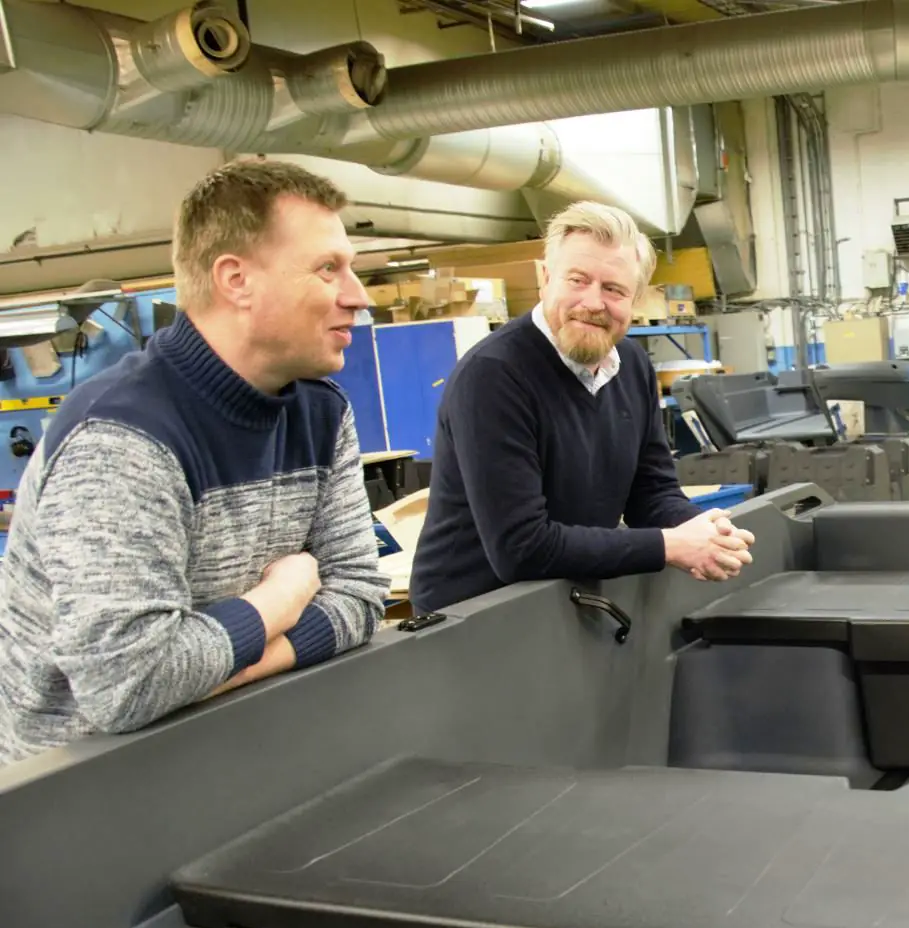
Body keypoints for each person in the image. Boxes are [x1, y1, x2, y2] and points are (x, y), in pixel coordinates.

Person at [0, 160, 390, 765]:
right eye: (327, 269)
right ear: (236, 280)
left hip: (225, 750)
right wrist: (283, 597)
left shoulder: (321, 412)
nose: (357, 296)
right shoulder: (122, 438)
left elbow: (361, 597)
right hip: (78, 786)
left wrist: (229, 663)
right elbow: (129, 685)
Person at [410, 201, 752, 613]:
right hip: (472, 617)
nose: (593, 302)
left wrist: (705, 532)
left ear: (635, 299)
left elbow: (651, 493)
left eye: (614, 289)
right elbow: (522, 548)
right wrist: (670, 545)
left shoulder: (632, 366)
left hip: (562, 598)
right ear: (545, 278)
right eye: (577, 280)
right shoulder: (493, 376)